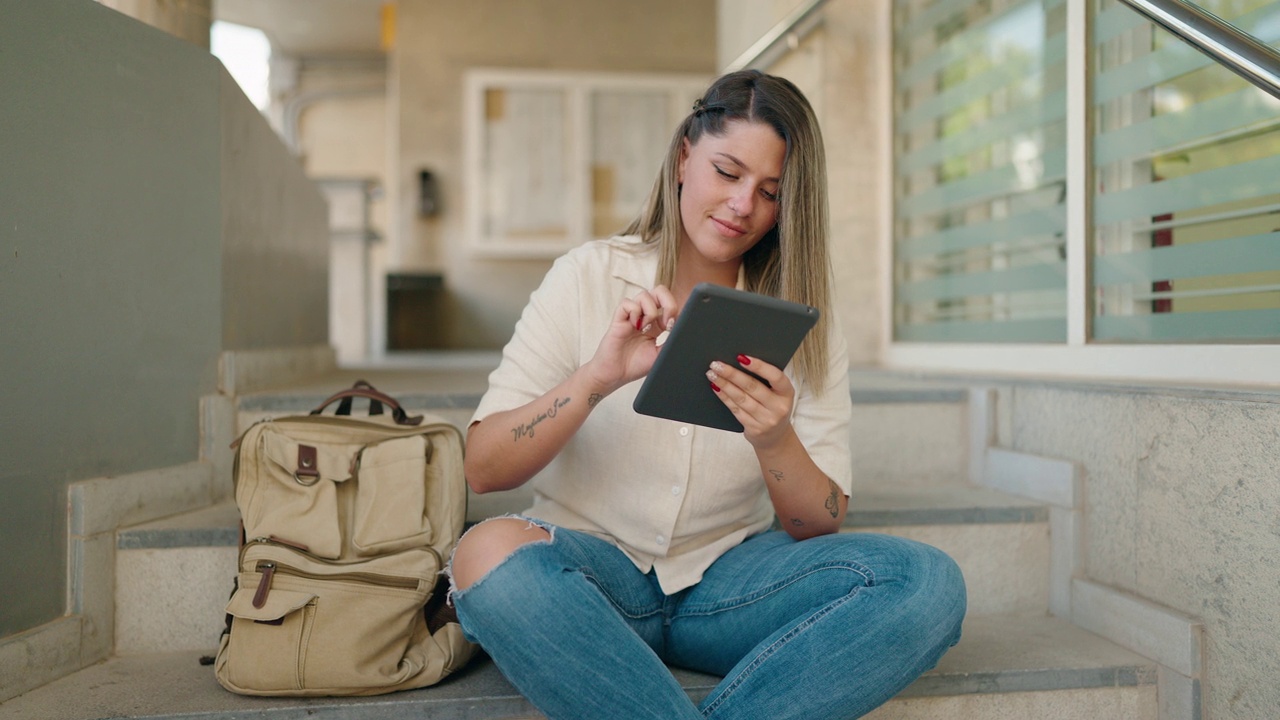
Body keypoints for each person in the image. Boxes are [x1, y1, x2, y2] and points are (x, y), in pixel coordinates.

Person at [448, 69, 966, 720]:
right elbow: (484, 467)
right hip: (591, 576)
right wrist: (597, 378)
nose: (744, 205)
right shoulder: (587, 275)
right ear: (685, 155)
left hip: (729, 584)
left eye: (770, 191)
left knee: (924, 583)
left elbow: (820, 520)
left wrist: (774, 436)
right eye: (727, 171)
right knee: (486, 553)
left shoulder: (801, 320)